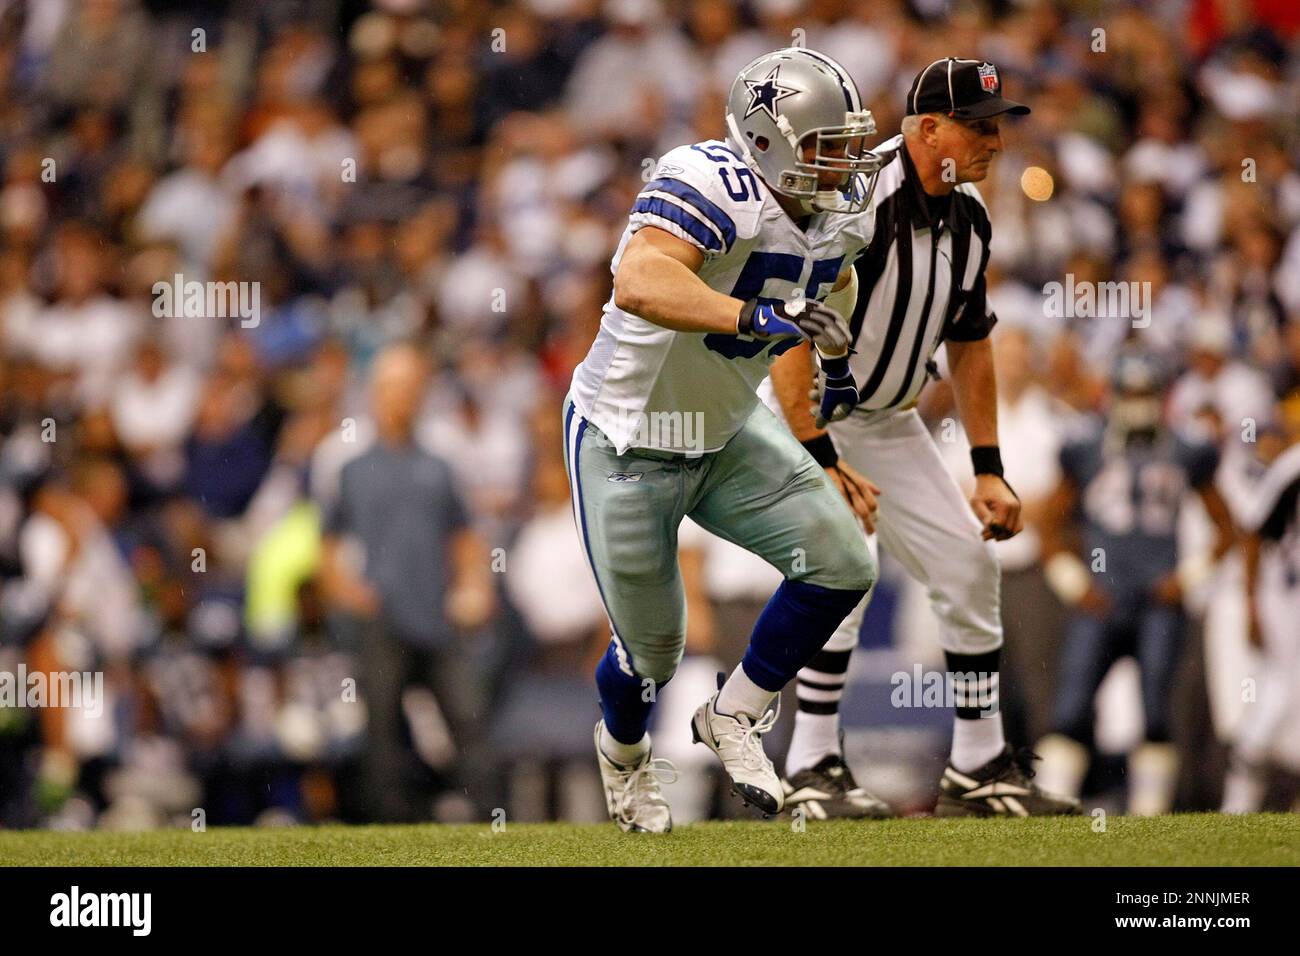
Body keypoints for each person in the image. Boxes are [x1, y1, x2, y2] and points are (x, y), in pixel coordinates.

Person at [565, 47, 883, 831]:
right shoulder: (715, 182)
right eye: (826, 146)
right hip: (628, 438)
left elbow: (824, 299)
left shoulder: (840, 222)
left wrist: (824, 412)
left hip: (726, 430)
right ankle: (623, 756)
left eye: (849, 144)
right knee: (654, 656)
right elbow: (641, 280)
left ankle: (733, 714)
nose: (844, 164)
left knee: (844, 564)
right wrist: (756, 317)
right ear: (770, 142)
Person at [771, 58, 1078, 817]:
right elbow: (791, 333)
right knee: (844, 567)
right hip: (805, 411)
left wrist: (988, 467)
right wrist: (820, 454)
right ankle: (811, 763)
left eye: (998, 125)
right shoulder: (855, 201)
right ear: (926, 127)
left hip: (887, 418)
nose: (995, 141)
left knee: (969, 565)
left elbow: (971, 341)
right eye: (979, 126)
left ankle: (977, 765)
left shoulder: (970, 217)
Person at [1035, 351, 1236, 815]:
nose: (1138, 404)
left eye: (1147, 393)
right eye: (1131, 393)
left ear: (1162, 397)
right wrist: (1073, 582)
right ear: (1115, 395)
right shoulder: (1085, 447)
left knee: (1156, 713)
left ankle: (1149, 818)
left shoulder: (1188, 448)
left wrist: (1186, 579)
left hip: (1158, 603)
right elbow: (1048, 523)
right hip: (1100, 600)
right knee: (1070, 708)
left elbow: (1227, 529)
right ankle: (1049, 811)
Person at [320, 344, 495, 822]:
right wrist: (347, 590)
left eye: (409, 387)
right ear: (374, 394)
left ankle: (493, 820)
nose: (401, 397)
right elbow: (327, 548)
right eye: (392, 387)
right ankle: (391, 827)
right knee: (382, 729)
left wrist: (473, 587)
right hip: (381, 619)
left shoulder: (439, 468)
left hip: (438, 614)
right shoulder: (351, 471)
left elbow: (464, 540)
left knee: (467, 718)